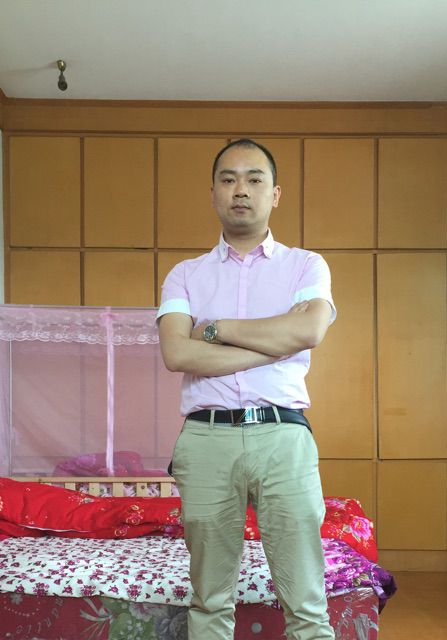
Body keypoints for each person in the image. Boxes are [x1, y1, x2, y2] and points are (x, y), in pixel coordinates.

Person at [157, 139, 336, 640]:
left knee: (307, 603)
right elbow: (177, 354)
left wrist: (215, 329)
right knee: (209, 599)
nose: (241, 190)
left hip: (283, 435)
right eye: (229, 179)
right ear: (213, 192)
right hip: (205, 438)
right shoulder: (185, 274)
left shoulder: (306, 265)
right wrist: (274, 344)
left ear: (274, 194)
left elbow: (310, 331)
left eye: (255, 179)